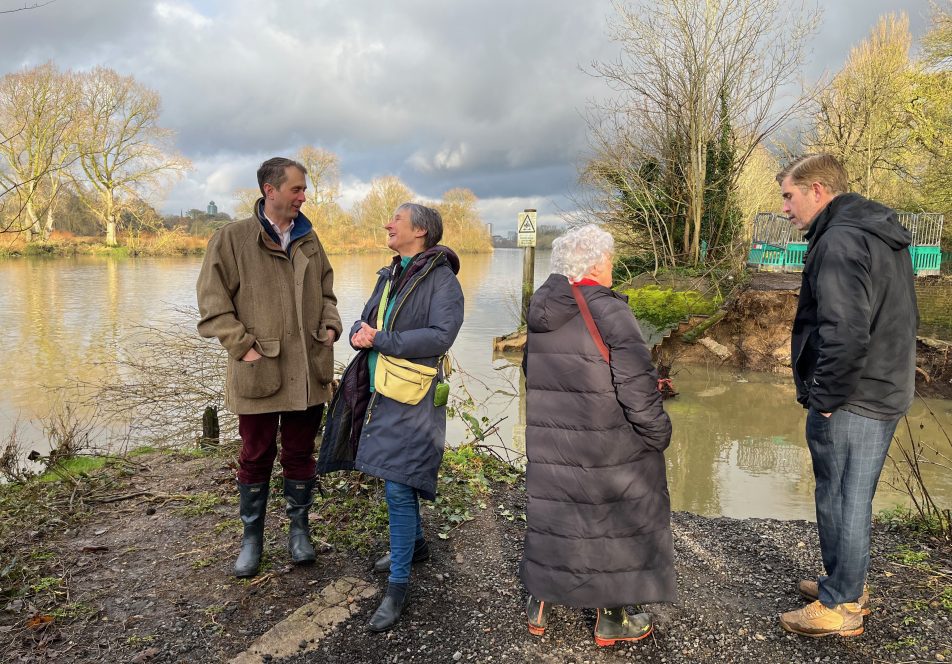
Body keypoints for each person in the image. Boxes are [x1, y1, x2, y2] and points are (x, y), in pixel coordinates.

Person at [776, 154, 918, 637]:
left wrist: (827, 399)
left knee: (843, 496)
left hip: (854, 394)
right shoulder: (877, 231)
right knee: (850, 493)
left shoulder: (839, 241)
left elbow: (845, 332)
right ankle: (846, 583)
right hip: (883, 384)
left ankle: (841, 606)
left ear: (817, 190)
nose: (785, 208)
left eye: (789, 196)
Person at [520, 224, 675, 647]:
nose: (612, 266)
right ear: (594, 264)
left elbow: (531, 370)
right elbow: (637, 385)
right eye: (608, 259)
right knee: (613, 518)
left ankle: (539, 604)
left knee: (556, 514)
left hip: (553, 439)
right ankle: (613, 619)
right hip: (605, 440)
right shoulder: (609, 310)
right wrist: (658, 433)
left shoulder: (542, 307)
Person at [317, 202, 464, 632]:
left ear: (419, 231)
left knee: (399, 483)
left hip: (414, 396)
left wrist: (382, 338)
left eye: (395, 220)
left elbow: (441, 335)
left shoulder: (441, 280)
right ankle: (415, 545)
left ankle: (398, 587)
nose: (387, 224)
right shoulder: (391, 274)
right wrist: (360, 332)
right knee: (393, 474)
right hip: (378, 391)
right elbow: (366, 319)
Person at [197, 157, 341, 578]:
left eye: (303, 189)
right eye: (296, 189)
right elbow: (212, 305)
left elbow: (328, 293)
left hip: (309, 371)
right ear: (270, 190)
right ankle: (252, 540)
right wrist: (243, 348)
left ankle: (299, 532)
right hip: (259, 370)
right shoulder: (231, 239)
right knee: (256, 455)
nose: (303, 196)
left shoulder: (310, 239)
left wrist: (329, 327)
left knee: (300, 452)